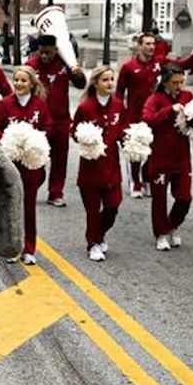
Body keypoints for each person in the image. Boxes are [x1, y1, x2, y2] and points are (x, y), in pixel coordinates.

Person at [116, 32, 193, 198]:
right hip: (136, 117)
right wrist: (121, 116)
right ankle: (135, 184)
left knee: (154, 150)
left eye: (153, 44)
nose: (151, 47)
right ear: (139, 46)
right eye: (147, 44)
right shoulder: (129, 67)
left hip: (156, 114)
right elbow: (119, 93)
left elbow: (181, 65)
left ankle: (146, 177)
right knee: (136, 151)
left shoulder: (160, 62)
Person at [0, 66, 51, 265]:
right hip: (11, 164)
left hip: (31, 165)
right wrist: (8, 140)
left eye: (23, 81)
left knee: (29, 207)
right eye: (16, 80)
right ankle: (12, 247)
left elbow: (47, 128)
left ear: (31, 84)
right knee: (10, 206)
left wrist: (34, 141)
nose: (18, 84)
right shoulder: (5, 104)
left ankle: (29, 248)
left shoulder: (40, 105)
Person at [26, 34, 87, 206]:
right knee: (36, 157)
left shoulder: (65, 63)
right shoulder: (31, 66)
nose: (45, 56)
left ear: (55, 50)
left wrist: (77, 73)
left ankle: (55, 193)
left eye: (48, 52)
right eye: (41, 52)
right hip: (38, 122)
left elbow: (81, 84)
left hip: (61, 120)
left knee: (60, 159)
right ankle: (35, 183)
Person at [72, 66, 125, 261]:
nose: (110, 83)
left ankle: (98, 234)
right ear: (95, 84)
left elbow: (122, 130)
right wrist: (86, 139)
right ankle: (93, 243)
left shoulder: (119, 105)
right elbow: (74, 132)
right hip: (90, 169)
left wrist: (132, 140)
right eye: (105, 80)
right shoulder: (85, 107)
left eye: (112, 79)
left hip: (112, 167)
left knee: (113, 205)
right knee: (93, 210)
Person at [142, 64, 193, 251]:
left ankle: (172, 225)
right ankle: (161, 233)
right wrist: (169, 111)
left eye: (182, 82)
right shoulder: (155, 99)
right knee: (159, 199)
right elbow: (148, 120)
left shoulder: (188, 97)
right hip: (160, 157)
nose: (179, 86)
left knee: (185, 197)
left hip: (182, 157)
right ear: (165, 82)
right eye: (175, 82)